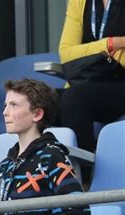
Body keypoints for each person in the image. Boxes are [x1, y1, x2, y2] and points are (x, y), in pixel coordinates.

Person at [0, 79, 91, 215]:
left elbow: (78, 212)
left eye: (14, 105)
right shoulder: (4, 166)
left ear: (37, 114)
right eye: (5, 105)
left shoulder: (51, 156)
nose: (5, 112)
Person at [59, 0, 125, 152]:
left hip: (119, 84)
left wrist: (87, 51)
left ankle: (84, 171)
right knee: (37, 99)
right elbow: (66, 53)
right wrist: (112, 44)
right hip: (88, 82)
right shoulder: (79, 2)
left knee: (75, 98)